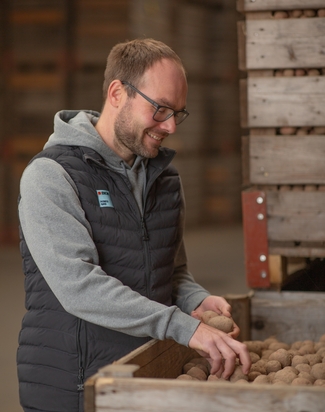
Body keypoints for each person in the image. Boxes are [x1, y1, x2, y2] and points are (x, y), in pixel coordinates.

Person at [17, 38, 251, 412]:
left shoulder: (166, 179)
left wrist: (197, 299)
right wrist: (184, 327)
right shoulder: (51, 176)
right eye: (160, 109)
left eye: (178, 113)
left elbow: (172, 272)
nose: (171, 125)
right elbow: (78, 286)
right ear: (116, 93)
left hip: (145, 372)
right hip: (76, 385)